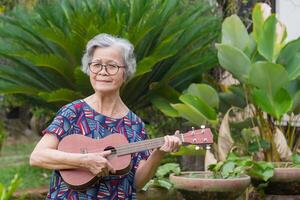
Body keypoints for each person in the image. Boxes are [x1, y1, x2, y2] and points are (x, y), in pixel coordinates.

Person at [30, 33, 182, 200]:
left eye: (112, 66)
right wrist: (84, 161)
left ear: (125, 73)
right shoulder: (73, 112)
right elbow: (38, 156)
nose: (103, 72)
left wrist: (158, 154)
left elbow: (137, 183)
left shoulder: (134, 124)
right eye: (96, 65)